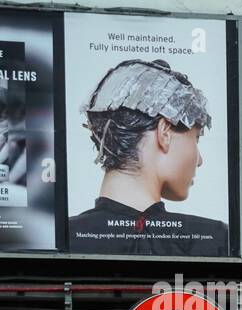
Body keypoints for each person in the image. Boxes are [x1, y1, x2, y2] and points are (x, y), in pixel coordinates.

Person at [68, 59, 229, 256]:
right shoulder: (215, 240)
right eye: (196, 138)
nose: (200, 160)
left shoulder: (63, 238)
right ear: (165, 132)